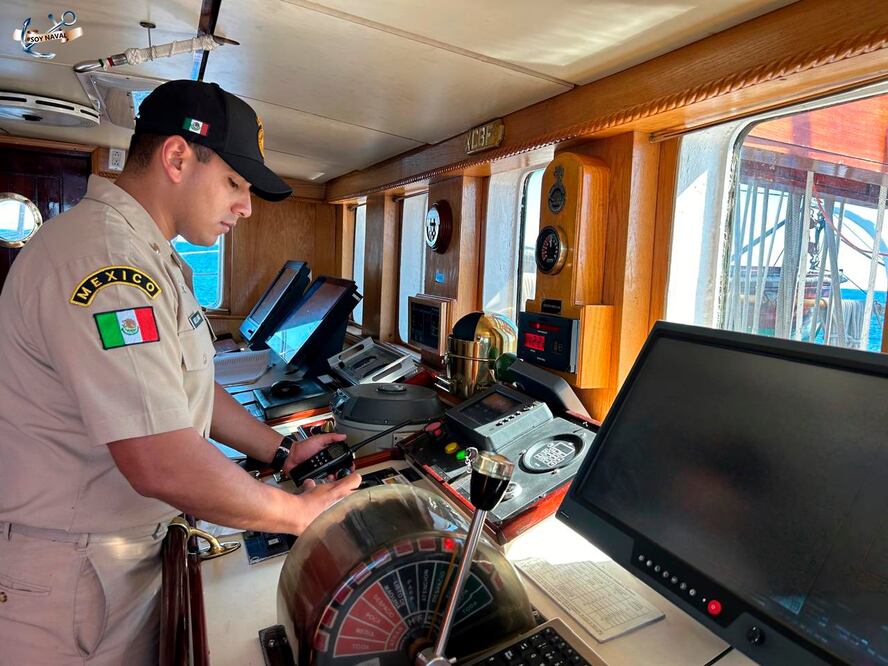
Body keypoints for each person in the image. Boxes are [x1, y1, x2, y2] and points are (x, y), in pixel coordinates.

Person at [0, 79, 361, 665]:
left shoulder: (147, 257)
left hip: (111, 557)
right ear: (176, 157)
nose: (245, 206)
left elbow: (184, 391)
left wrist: (279, 453)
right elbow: (158, 457)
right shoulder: (106, 263)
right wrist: (296, 514)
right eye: (235, 184)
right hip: (68, 577)